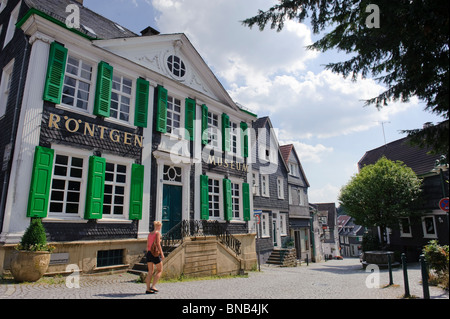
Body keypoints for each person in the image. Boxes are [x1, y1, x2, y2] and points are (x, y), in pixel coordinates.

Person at [146, 221, 164, 294]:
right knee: (160, 270)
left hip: (149, 253)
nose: (160, 228)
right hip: (155, 254)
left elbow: (147, 245)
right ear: (158, 226)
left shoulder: (149, 234)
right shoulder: (157, 233)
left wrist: (148, 253)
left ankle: (147, 289)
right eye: (160, 227)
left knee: (150, 272)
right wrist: (162, 254)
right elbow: (158, 244)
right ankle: (153, 286)